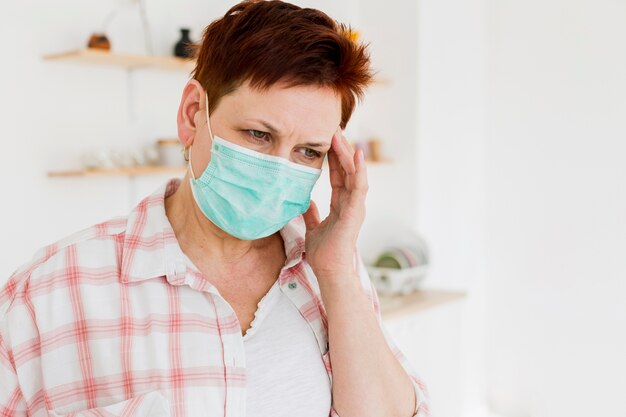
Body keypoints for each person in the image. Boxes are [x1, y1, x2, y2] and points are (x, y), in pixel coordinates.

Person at [0, 1, 428, 416]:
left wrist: (336, 274)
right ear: (192, 115)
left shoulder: (331, 274)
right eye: (258, 135)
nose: (278, 169)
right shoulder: (49, 295)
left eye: (308, 152)